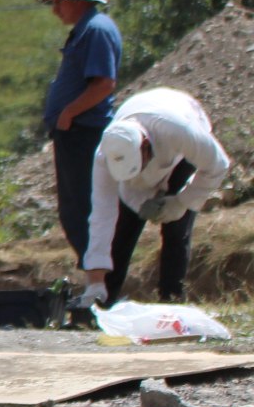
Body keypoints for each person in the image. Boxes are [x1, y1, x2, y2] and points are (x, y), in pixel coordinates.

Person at [82, 87, 230, 308]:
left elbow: (218, 165)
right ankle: (103, 299)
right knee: (123, 229)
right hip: (134, 175)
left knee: (176, 228)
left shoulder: (180, 131)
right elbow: (102, 216)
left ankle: (171, 302)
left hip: (181, 142)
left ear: (145, 147)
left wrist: (182, 201)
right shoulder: (105, 156)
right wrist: (94, 280)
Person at [37, 0, 123, 266]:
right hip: (75, 131)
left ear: (77, 1)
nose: (55, 10)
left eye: (59, 2)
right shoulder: (87, 29)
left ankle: (99, 275)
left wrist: (69, 113)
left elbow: (103, 83)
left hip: (83, 132)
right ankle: (94, 271)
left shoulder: (96, 30)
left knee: (81, 207)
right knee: (73, 207)